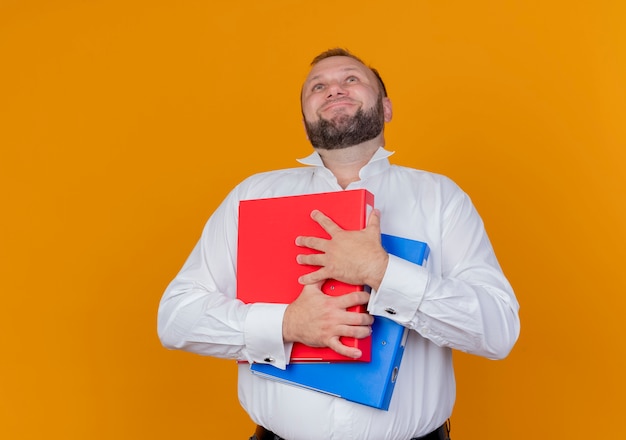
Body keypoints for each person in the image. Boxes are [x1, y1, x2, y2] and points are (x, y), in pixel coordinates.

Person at [157, 48, 520, 440]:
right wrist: (286, 324)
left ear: (386, 108)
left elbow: (498, 331)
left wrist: (381, 272)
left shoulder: (441, 198)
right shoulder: (252, 197)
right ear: (304, 119)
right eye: (318, 86)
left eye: (351, 79)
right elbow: (177, 318)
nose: (334, 90)